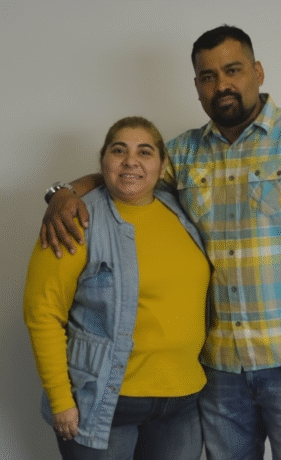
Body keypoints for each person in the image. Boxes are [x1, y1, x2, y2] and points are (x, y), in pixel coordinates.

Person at [39, 26, 281, 460]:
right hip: (218, 370)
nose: (222, 84)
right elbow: (128, 175)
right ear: (197, 86)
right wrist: (65, 192)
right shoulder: (183, 153)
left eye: (233, 70)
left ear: (257, 72)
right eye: (208, 76)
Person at [24, 116, 211, 460]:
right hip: (103, 402)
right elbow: (43, 313)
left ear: (162, 165)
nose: (131, 161)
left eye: (145, 152)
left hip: (182, 402)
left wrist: (63, 188)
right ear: (103, 160)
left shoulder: (180, 210)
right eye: (119, 150)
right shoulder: (73, 220)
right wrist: (60, 400)